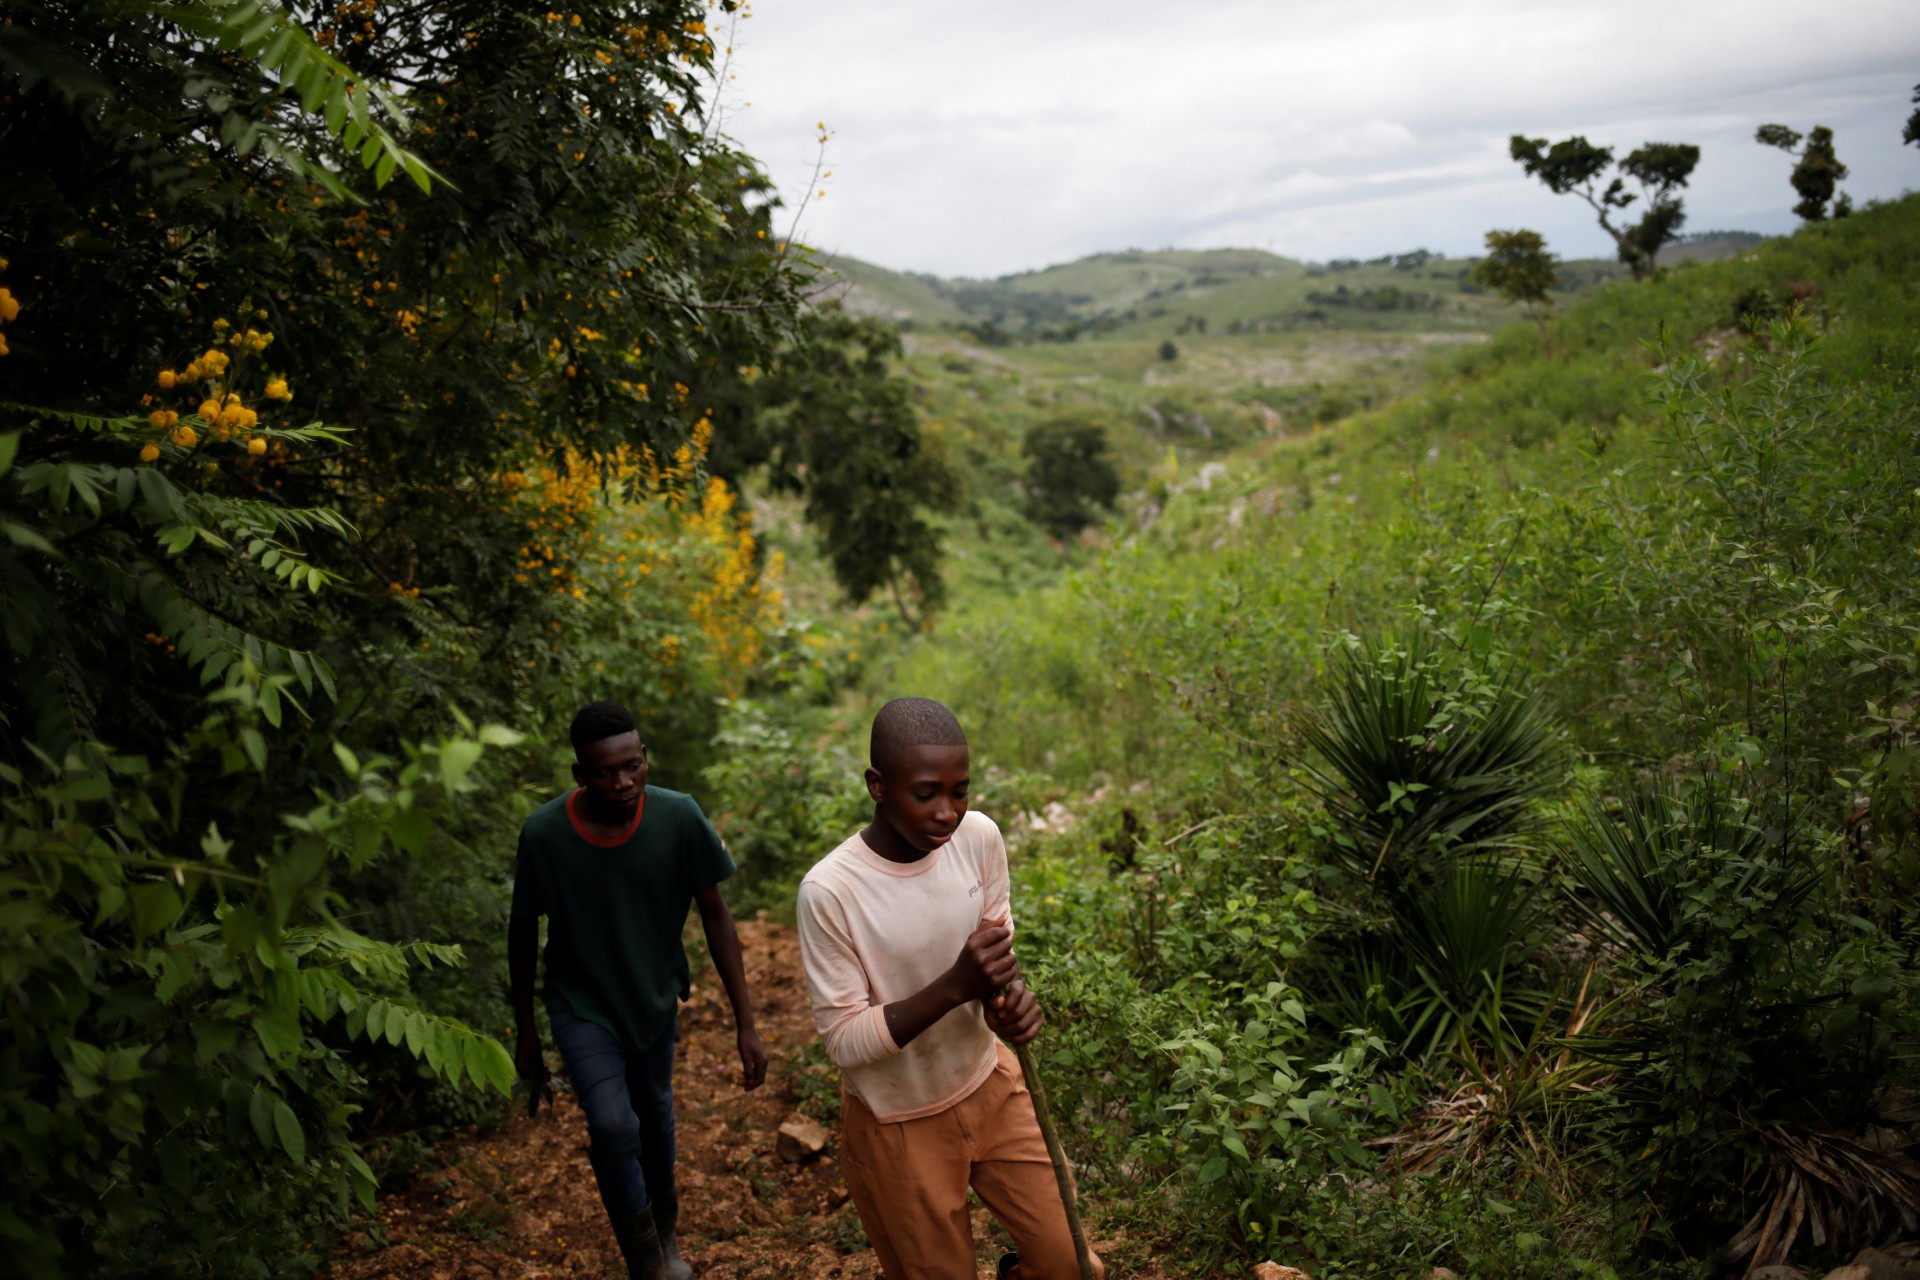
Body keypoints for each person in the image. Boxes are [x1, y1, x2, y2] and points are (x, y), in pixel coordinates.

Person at [795, 697, 1104, 1280]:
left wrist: (1006, 1004)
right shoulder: (832, 892)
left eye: (959, 791)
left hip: (990, 1084)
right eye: (926, 793)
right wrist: (956, 986)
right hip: (899, 1122)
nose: (948, 813)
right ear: (877, 786)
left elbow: (997, 954)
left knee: (1072, 1265)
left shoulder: (979, 838)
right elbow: (843, 1039)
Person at [510, 701, 767, 1280]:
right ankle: (648, 1261)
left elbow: (716, 916)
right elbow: (522, 932)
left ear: (644, 757)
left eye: (633, 765)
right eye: (605, 771)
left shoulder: (678, 818)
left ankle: (667, 1234)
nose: (623, 782)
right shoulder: (545, 835)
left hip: (652, 999)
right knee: (612, 1124)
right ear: (580, 774)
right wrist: (527, 1028)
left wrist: (745, 1023)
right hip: (581, 1004)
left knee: (652, 1116)